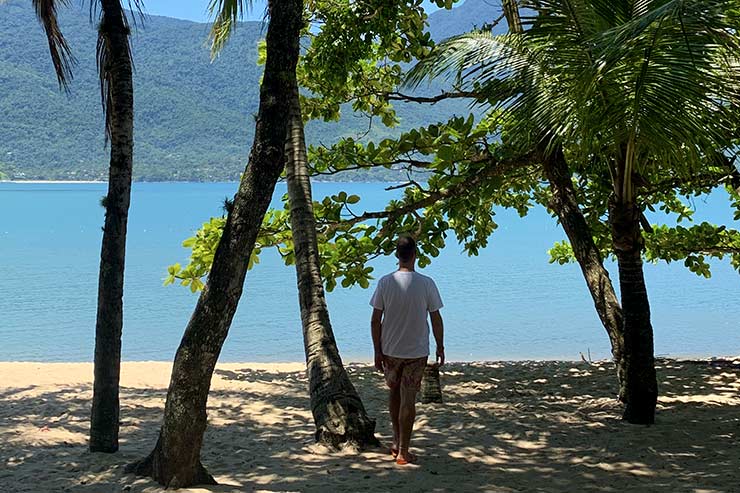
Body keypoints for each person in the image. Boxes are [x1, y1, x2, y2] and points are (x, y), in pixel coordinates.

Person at [370, 235, 444, 466]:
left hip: (390, 349)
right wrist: (440, 346)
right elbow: (435, 318)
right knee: (408, 399)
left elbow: (375, 320)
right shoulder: (426, 283)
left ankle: (395, 439)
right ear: (416, 254)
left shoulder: (385, 282)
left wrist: (377, 350)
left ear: (396, 255)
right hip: (416, 351)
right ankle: (403, 450)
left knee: (393, 393)